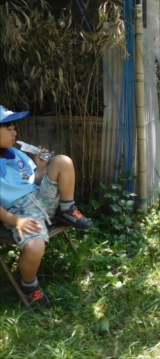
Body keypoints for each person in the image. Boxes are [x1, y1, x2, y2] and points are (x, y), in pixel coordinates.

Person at [0, 106, 93, 308]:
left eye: (14, 128)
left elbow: (34, 182)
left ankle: (67, 209)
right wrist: (16, 221)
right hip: (19, 213)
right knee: (34, 247)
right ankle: (29, 285)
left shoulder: (16, 154)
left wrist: (41, 168)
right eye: (8, 128)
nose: (15, 132)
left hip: (42, 199)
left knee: (62, 161)